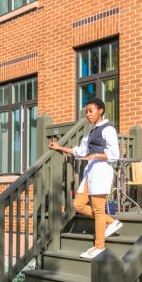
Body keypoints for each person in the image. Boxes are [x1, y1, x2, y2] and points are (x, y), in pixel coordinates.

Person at [49, 97, 122, 259]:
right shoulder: (90, 133)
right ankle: (111, 221)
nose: (88, 115)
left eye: (91, 111)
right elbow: (80, 151)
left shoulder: (108, 129)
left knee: (98, 209)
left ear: (100, 110)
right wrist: (60, 147)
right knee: (78, 204)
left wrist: (95, 155)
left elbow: (114, 155)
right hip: (90, 173)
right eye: (86, 112)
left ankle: (99, 246)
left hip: (101, 171)